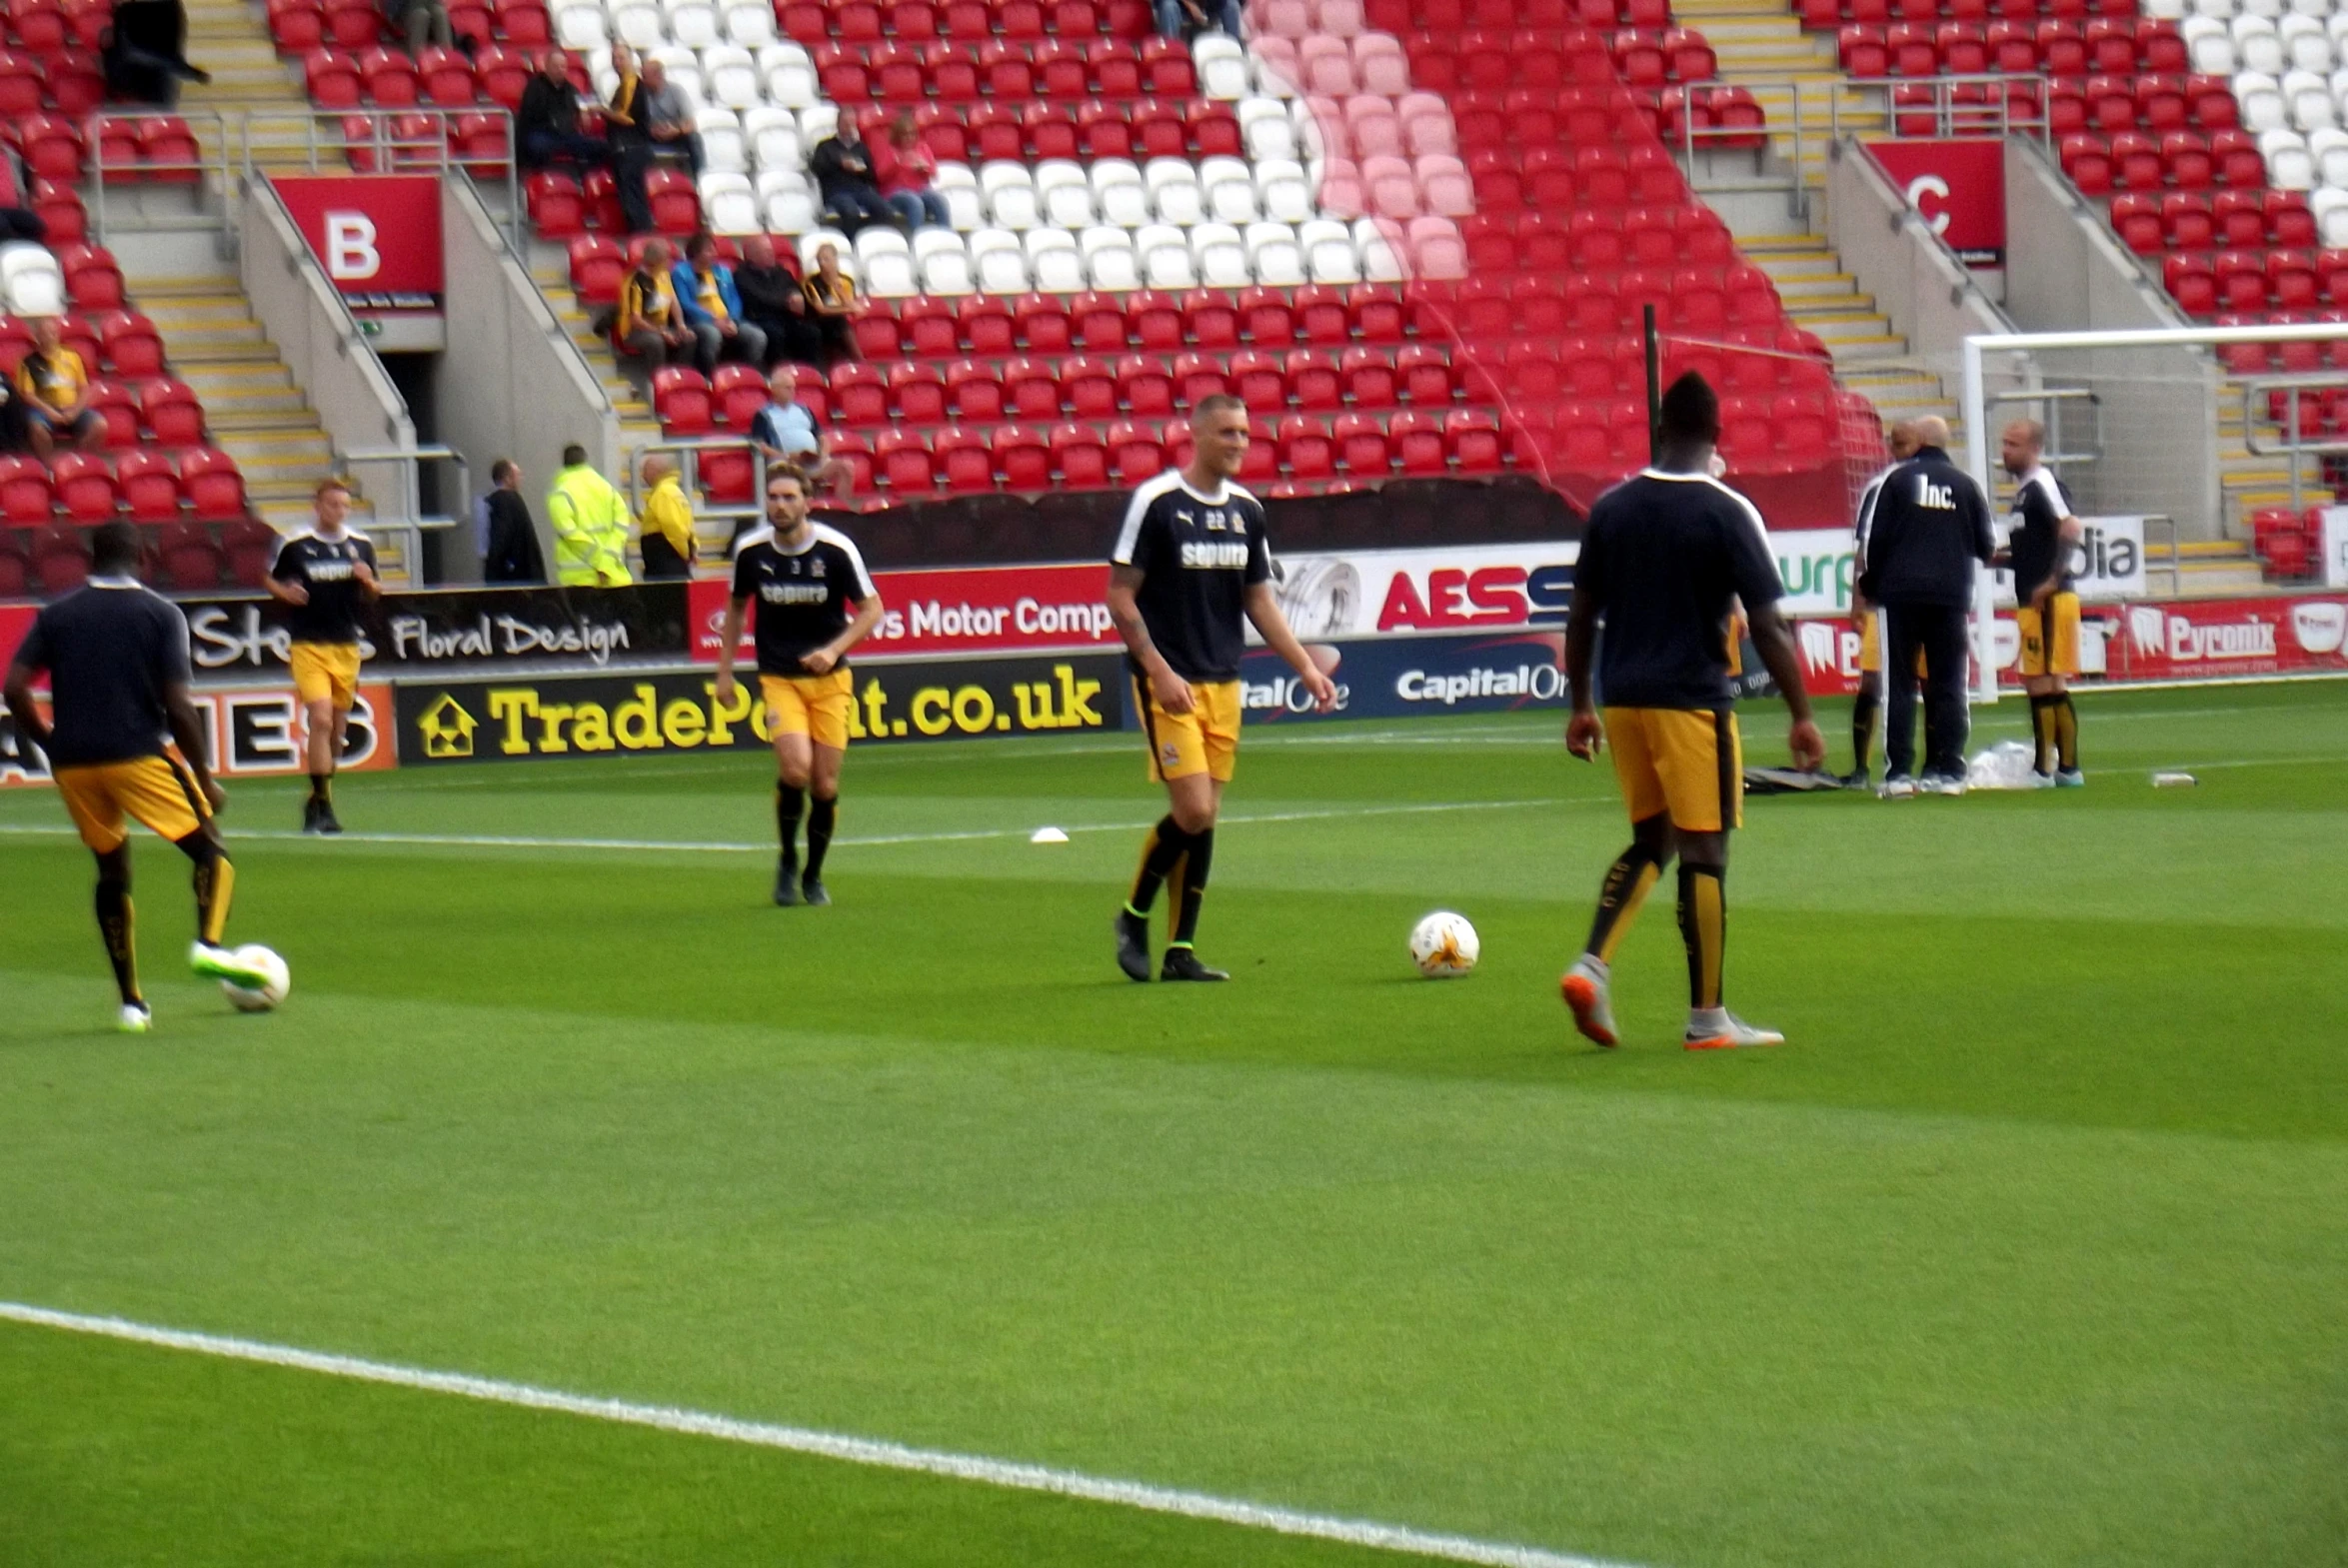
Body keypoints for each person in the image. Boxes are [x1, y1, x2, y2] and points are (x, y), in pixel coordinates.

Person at [1557, 373, 1822, 1052]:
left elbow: (1581, 612)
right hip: (1692, 703)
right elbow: (1766, 625)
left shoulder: (1610, 508)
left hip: (1622, 699)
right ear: (1716, 436)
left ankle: (1591, 964)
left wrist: (1580, 705)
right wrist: (1801, 714)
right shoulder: (1725, 510)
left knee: (1653, 839)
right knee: (1705, 848)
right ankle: (1707, 1017)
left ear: (1658, 429)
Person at [2, 521, 268, 1031]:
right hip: (137, 753)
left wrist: (52, 743)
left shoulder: (56, 614)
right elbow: (179, 706)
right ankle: (207, 946)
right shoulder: (160, 613)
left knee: (111, 870)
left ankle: (131, 1003)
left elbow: (14, 688)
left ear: (89, 559)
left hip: (76, 764)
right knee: (209, 849)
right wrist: (205, 776)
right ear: (144, 557)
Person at [1107, 396, 1336, 982]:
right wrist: (1157, 668)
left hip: (1223, 682)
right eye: (1227, 432)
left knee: (1205, 821)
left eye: (1245, 433)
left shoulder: (1247, 510)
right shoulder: (1157, 502)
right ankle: (1133, 916)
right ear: (1198, 434)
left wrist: (1305, 667)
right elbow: (1120, 594)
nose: (1238, 442)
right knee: (1194, 809)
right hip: (1170, 682)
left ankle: (1181, 951)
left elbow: (1258, 599)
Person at [715, 467, 885, 907]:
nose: (780, 505)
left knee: (825, 786)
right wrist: (725, 670)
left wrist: (833, 650)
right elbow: (735, 609)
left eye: (790, 497)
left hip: (830, 681)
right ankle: (788, 860)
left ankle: (813, 874)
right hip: (779, 677)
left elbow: (872, 609)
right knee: (795, 771)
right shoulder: (751, 551)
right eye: (773, 497)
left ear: (808, 502)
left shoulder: (835, 549)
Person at [1855, 414, 1993, 797]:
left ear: (1917, 442)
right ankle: (1950, 770)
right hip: (1950, 596)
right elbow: (1986, 545)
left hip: (1899, 596)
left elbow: (1874, 541)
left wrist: (1870, 584)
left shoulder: (1895, 481)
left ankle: (1898, 773)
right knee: (1951, 684)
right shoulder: (1967, 486)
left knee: (1899, 684)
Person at [266, 479, 380, 834]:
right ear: (317, 506)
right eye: (332, 504)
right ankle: (325, 806)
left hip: (346, 645)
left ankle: (316, 798)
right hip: (308, 644)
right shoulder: (295, 544)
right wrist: (285, 592)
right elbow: (269, 578)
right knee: (321, 719)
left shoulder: (360, 545)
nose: (339, 511)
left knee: (337, 734)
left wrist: (367, 582)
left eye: (344, 506)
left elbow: (375, 594)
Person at [2000, 420, 2087, 786]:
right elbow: (2030, 548)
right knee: (2044, 682)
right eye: (2004, 443)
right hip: (2035, 599)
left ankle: (2049, 769)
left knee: (2044, 682)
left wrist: (2051, 581)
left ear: (2034, 448)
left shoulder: (2043, 484)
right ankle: (2063, 768)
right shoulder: (2024, 492)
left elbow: (2071, 528)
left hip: (2049, 599)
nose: (2005, 450)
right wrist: (1997, 557)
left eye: (2014, 444)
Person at [1845, 418, 1920, 788]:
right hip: (1885, 602)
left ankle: (1935, 764)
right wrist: (1857, 597)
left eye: (1911, 443)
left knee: (1931, 681)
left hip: (1926, 600)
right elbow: (1864, 547)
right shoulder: (1880, 486)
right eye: (1900, 443)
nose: (1907, 450)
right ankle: (1861, 767)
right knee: (1873, 682)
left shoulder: (1938, 482)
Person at [671, 232, 768, 376]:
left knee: (757, 336)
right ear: (696, 253)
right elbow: (685, 302)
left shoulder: (723, 271)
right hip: (698, 321)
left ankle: (750, 375)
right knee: (712, 335)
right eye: (709, 250)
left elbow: (735, 298)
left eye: (714, 249)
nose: (714, 253)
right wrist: (713, 320)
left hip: (727, 319)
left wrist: (732, 319)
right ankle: (709, 376)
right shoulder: (681, 272)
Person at [749, 365, 853, 498]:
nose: (792, 391)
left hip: (812, 460)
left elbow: (821, 437)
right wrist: (787, 456)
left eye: (793, 388)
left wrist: (823, 453)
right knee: (788, 470)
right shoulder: (763, 415)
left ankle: (843, 510)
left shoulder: (804, 410)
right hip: (785, 461)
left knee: (845, 467)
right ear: (774, 390)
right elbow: (761, 446)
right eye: (787, 388)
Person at [546, 444, 635, 587]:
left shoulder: (560, 493)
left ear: (564, 464)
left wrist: (598, 561)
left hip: (578, 579)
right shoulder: (607, 489)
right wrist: (606, 563)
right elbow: (621, 525)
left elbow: (569, 533)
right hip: (612, 577)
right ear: (585, 461)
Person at [18, 317, 106, 459]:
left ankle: (80, 460)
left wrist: (74, 411)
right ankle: (48, 468)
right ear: (37, 336)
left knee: (100, 425)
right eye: (45, 333)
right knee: (36, 428)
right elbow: (28, 395)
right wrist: (50, 411)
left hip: (71, 407)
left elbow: (84, 388)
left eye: (52, 333)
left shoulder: (73, 357)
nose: (49, 337)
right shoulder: (28, 362)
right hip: (44, 410)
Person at [734, 234, 823, 368]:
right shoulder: (742, 275)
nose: (772, 254)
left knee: (811, 332)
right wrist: (786, 302)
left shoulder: (780, 271)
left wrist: (796, 296)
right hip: (760, 317)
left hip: (786, 316)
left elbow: (793, 287)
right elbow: (759, 298)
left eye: (771, 251)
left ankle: (811, 373)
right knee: (776, 333)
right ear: (752, 256)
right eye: (766, 251)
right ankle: (779, 371)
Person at [516, 49, 609, 173]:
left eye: (563, 66)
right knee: (537, 146)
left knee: (602, 147)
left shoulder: (570, 88)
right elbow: (529, 116)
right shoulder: (534, 86)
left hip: (566, 135)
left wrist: (583, 110)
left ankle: (587, 178)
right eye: (556, 66)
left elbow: (583, 102)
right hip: (541, 133)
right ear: (546, 66)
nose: (560, 70)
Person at [616, 237, 695, 369]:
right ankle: (658, 379)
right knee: (655, 341)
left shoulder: (664, 274)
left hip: (661, 327)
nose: (670, 262)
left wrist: (681, 326)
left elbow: (673, 301)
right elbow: (635, 320)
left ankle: (680, 375)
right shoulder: (635, 281)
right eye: (667, 259)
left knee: (689, 338)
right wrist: (661, 332)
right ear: (655, 261)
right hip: (635, 331)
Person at [809, 121, 896, 236]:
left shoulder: (861, 148)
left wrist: (862, 170)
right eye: (846, 124)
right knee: (850, 211)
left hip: (860, 190)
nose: (850, 128)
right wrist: (840, 164)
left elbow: (871, 176)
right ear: (838, 125)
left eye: (852, 125)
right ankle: (849, 241)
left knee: (886, 211)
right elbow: (817, 168)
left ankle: (862, 235)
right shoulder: (826, 146)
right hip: (836, 191)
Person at [604, 43, 655, 233]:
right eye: (614, 58)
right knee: (630, 194)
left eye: (621, 58)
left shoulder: (631, 84)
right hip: (627, 147)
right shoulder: (625, 85)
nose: (617, 62)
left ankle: (641, 235)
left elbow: (626, 118)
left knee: (632, 196)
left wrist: (602, 111)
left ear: (631, 60)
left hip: (631, 148)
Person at [875, 112, 949, 231]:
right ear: (898, 136)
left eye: (912, 134)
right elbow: (879, 177)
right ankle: (916, 238)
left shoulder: (922, 148)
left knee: (939, 200)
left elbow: (933, 173)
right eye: (905, 135)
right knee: (915, 202)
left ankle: (946, 236)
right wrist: (896, 163)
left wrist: (923, 168)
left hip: (919, 189)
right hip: (894, 192)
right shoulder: (890, 150)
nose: (910, 138)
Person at [481, 459, 545, 584]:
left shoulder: (490, 504)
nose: (520, 479)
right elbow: (502, 541)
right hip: (518, 578)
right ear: (507, 478)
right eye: (518, 475)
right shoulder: (508, 502)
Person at [801, 242, 863, 367]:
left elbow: (851, 304)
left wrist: (840, 291)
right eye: (820, 260)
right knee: (839, 321)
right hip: (815, 320)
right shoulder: (811, 282)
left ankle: (855, 363)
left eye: (826, 259)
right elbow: (821, 309)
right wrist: (848, 309)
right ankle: (860, 360)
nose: (822, 263)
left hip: (836, 320)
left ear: (835, 259)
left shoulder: (846, 280)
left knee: (839, 321)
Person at [638, 453, 695, 579]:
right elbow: (688, 528)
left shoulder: (663, 493)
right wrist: (691, 549)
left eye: (645, 470)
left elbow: (674, 528)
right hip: (671, 565)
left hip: (665, 568)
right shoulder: (675, 492)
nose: (643, 475)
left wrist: (684, 554)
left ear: (655, 471)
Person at [0, 142, 47, 243]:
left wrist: (26, 201)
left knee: (35, 225)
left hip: (12, 208)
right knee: (3, 227)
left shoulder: (11, 157)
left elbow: (26, 183)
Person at [386, 0, 452, 52]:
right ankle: (418, 61)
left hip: (428, 4)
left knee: (440, 13)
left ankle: (448, 58)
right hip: (403, 7)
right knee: (421, 15)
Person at [1157, 0, 1241, 39]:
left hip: (1208, 5)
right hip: (1179, 5)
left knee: (1231, 5)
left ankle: (1234, 52)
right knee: (1169, 6)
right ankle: (1171, 56)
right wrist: (1191, 5)